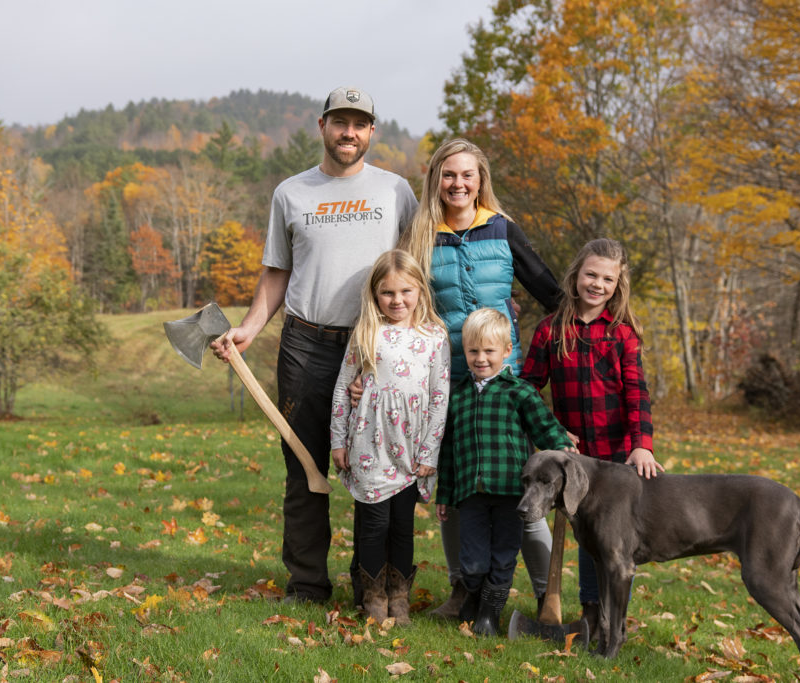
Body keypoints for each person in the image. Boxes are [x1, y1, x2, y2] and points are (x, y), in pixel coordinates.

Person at [211, 86, 418, 604]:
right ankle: (306, 585)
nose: (349, 133)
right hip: (307, 344)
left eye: (360, 124)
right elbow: (278, 269)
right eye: (340, 122)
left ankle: (370, 585)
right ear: (322, 125)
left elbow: (415, 271)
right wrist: (250, 327)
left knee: (378, 469)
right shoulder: (291, 192)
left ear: (372, 131)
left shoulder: (396, 191)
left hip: (376, 347)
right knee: (305, 466)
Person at [397, 138, 563, 618]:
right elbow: (401, 301)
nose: (458, 183)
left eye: (467, 174)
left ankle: (545, 595)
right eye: (449, 175)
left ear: (480, 179)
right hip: (447, 377)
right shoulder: (420, 235)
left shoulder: (502, 230)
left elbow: (550, 293)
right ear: (435, 180)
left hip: (503, 380)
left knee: (522, 487)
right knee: (459, 488)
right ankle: (462, 592)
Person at [520, 237, 663, 638]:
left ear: (618, 285)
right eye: (591, 275)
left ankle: (611, 618)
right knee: (586, 533)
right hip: (572, 458)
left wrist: (642, 445)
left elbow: (636, 393)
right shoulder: (551, 330)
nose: (597, 285)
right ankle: (589, 613)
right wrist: (549, 430)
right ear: (575, 275)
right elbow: (529, 387)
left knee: (612, 538)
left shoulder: (623, 334)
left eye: (607, 279)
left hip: (616, 458)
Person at [434, 307, 576, 636]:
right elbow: (449, 453)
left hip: (512, 495)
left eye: (489, 351)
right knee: (472, 561)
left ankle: (488, 616)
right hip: (470, 496)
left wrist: (562, 448)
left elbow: (544, 428)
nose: (481, 358)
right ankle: (471, 599)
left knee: (503, 558)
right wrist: (445, 495)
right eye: (473, 351)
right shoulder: (458, 398)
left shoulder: (519, 393)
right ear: (464, 352)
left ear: (506, 351)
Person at [330, 249, 450, 624]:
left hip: (411, 446)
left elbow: (439, 396)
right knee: (373, 524)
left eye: (405, 292)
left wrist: (429, 451)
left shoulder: (434, 335)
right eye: (388, 293)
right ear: (375, 295)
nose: (397, 300)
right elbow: (341, 389)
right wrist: (338, 440)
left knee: (402, 525)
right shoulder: (367, 332)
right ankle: (373, 596)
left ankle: (399, 596)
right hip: (369, 444)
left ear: (420, 292)